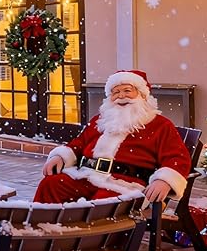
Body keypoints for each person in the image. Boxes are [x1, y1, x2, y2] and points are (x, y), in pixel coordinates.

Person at [34, 70, 190, 204]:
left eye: (127, 90)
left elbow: (177, 158)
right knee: (51, 185)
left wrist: (164, 180)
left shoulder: (160, 125)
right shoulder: (101, 120)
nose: (121, 96)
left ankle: (81, 231)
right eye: (116, 92)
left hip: (125, 185)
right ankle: (42, 227)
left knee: (102, 206)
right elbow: (79, 144)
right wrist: (61, 156)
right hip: (86, 176)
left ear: (142, 95)